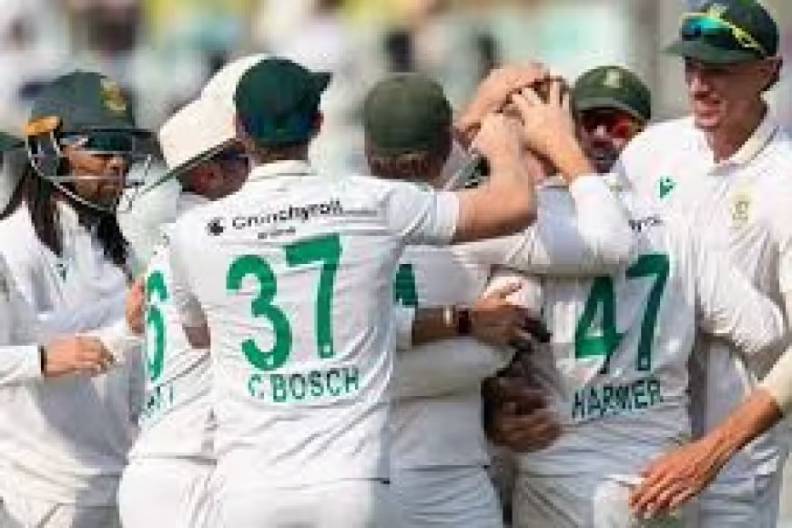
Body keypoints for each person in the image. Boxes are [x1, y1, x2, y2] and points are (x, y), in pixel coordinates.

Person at [166, 57, 590, 527]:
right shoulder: (367, 201)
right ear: (318, 125)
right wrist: (504, 144)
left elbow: (201, 336)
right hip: (348, 486)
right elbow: (513, 206)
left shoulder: (191, 232)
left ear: (240, 132)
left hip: (248, 491)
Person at [362, 71, 634, 528]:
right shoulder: (476, 224)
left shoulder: (346, 213)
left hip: (361, 477)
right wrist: (527, 147)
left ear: (367, 149)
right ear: (445, 143)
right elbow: (613, 243)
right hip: (454, 484)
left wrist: (472, 118)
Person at [615, 1, 792, 525]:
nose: (699, 86)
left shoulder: (785, 182)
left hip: (732, 471)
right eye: (691, 67)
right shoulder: (650, 153)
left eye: (720, 70)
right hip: (636, 449)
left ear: (769, 73)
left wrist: (712, 453)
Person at [0, 71, 150, 528]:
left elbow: (130, 366)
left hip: (121, 485)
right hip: (42, 496)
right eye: (102, 146)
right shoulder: (13, 244)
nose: (118, 163)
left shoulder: (119, 249)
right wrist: (45, 359)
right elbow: (25, 349)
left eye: (124, 147)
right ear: (48, 151)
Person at [114, 57, 256, 528]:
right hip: (190, 473)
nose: (257, 169)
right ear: (209, 176)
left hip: (165, 467)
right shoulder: (214, 241)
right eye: (245, 158)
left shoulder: (182, 236)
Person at [572, 65, 651, 174]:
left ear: (641, 134)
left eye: (614, 124)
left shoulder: (660, 181)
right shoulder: (550, 183)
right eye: (589, 121)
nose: (600, 135)